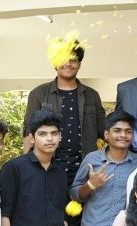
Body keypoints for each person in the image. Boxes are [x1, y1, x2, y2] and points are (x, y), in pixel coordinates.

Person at [24, 38, 104, 182]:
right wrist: (29, 169)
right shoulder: (38, 94)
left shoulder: (92, 95)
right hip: (47, 167)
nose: (68, 64)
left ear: (79, 64)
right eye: (63, 59)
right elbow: (29, 132)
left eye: (73, 60)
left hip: (85, 168)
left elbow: (104, 131)